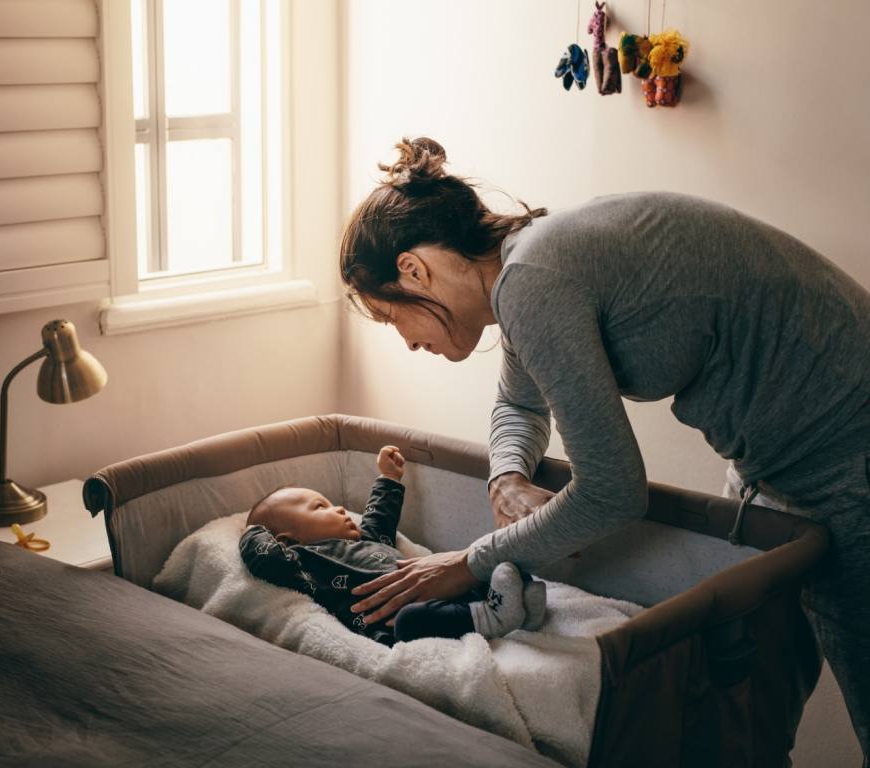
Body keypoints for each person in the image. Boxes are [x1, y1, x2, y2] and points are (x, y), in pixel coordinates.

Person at [338, 137, 870, 759]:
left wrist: (467, 561)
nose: (404, 341)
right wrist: (504, 476)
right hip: (773, 462)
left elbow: (614, 490)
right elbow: (518, 403)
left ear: (413, 270)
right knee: (750, 701)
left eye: (390, 317)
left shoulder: (532, 280)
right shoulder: (525, 270)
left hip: (844, 451)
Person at [239, 445, 547, 646]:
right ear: (287, 540)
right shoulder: (303, 562)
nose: (340, 510)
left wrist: (388, 476)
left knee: (487, 565)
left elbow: (380, 519)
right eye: (320, 508)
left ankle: (517, 607)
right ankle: (492, 617)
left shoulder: (366, 539)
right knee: (410, 621)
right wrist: (253, 530)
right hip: (396, 620)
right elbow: (264, 559)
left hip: (439, 587)